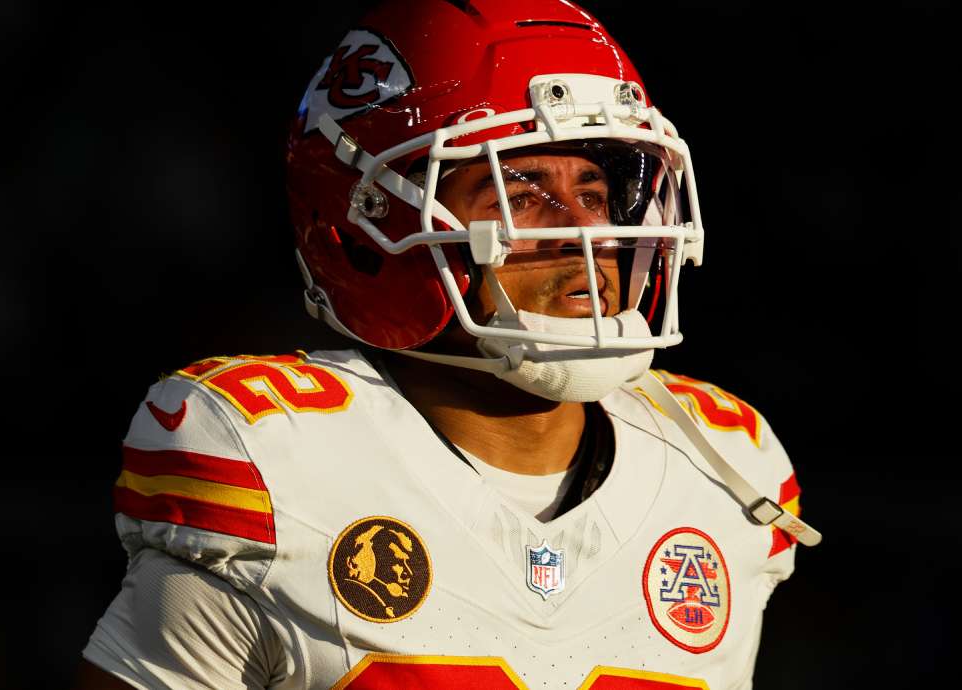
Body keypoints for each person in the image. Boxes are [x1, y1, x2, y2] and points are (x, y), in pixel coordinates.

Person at [75, 1, 821, 688]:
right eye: (520, 192)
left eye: (594, 192)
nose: (588, 232)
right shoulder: (274, 461)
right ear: (370, 225)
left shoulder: (721, 472)